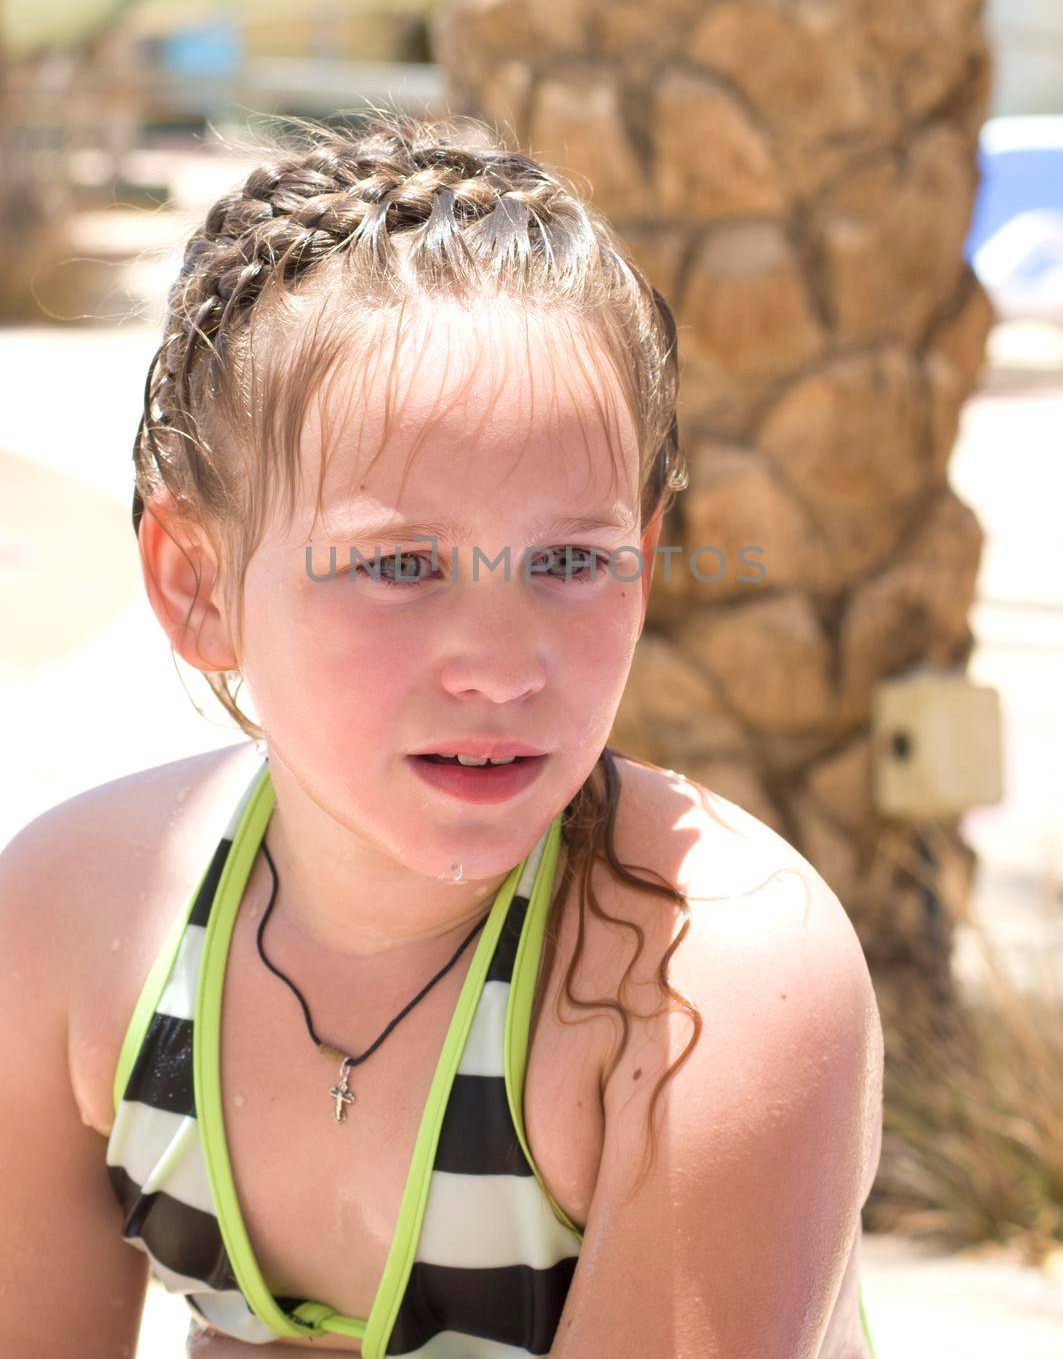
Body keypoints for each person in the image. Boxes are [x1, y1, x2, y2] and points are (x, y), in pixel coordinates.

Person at [0, 112, 883, 1359]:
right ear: (198, 583)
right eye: (400, 562)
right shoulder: (75, 929)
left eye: (571, 559)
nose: (502, 664)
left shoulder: (699, 983)